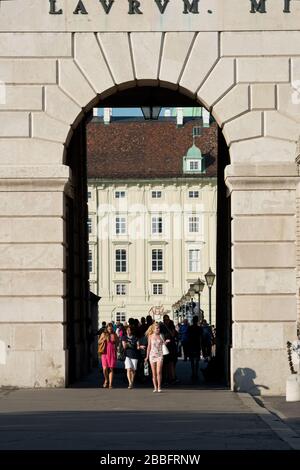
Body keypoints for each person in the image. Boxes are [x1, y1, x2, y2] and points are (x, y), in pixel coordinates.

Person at [145, 322, 170, 393]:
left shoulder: (161, 335)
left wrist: (166, 342)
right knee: (154, 373)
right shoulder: (150, 336)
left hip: (160, 354)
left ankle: (159, 387)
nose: (158, 329)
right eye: (157, 328)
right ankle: (155, 387)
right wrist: (147, 356)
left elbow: (163, 344)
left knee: (159, 371)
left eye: (159, 328)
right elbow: (149, 346)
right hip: (152, 355)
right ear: (153, 329)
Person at [98, 323, 118, 389]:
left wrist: (116, 342)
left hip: (112, 352)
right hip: (104, 353)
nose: (110, 330)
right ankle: (106, 379)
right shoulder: (103, 334)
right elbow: (99, 342)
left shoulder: (114, 334)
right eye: (109, 328)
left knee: (111, 368)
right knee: (104, 369)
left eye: (111, 328)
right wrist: (103, 339)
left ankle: (110, 384)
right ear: (107, 328)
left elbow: (117, 342)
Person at [160, 315, 178, 385]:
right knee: (165, 363)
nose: (166, 321)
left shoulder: (171, 326)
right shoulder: (161, 327)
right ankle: (166, 378)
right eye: (165, 320)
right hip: (165, 347)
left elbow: (173, 335)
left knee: (171, 363)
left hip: (172, 346)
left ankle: (172, 378)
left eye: (167, 320)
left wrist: (167, 327)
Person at [188, 316, 202, 382]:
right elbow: (201, 337)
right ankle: (196, 373)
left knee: (192, 360)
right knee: (196, 360)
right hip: (197, 344)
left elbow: (188, 336)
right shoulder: (199, 328)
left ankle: (193, 373)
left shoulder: (190, 328)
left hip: (191, 345)